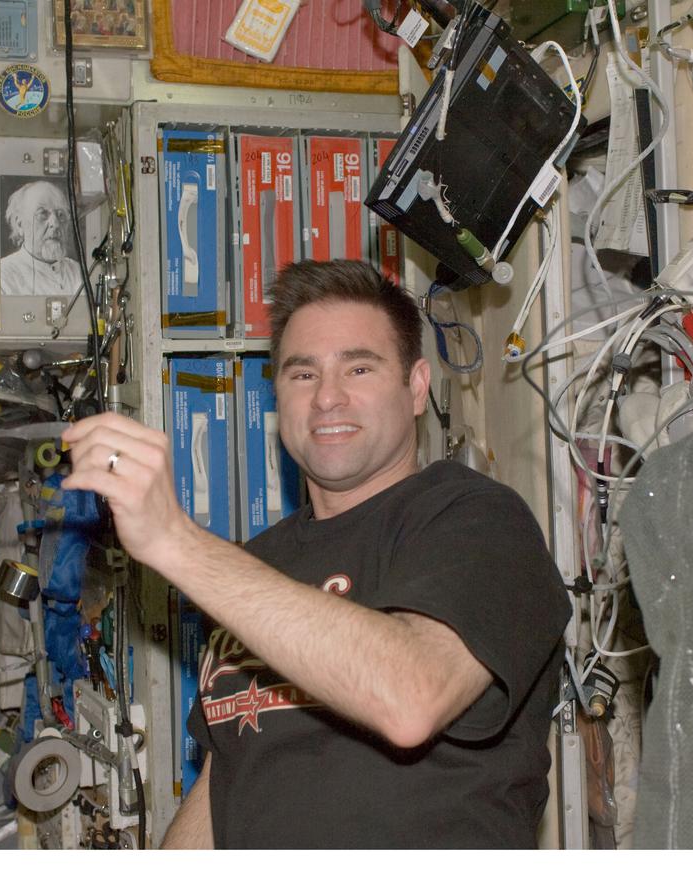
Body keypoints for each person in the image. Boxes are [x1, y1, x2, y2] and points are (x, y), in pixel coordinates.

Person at [63, 260, 570, 848]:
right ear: (277, 395)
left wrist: (176, 541)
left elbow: (411, 698)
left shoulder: (477, 520)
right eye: (302, 375)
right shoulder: (256, 567)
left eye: (359, 367)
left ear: (416, 387)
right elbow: (227, 779)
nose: (328, 397)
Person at [0, 181, 82, 297]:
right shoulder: (3, 275)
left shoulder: (79, 272)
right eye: (43, 214)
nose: (55, 224)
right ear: (20, 224)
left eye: (61, 214)